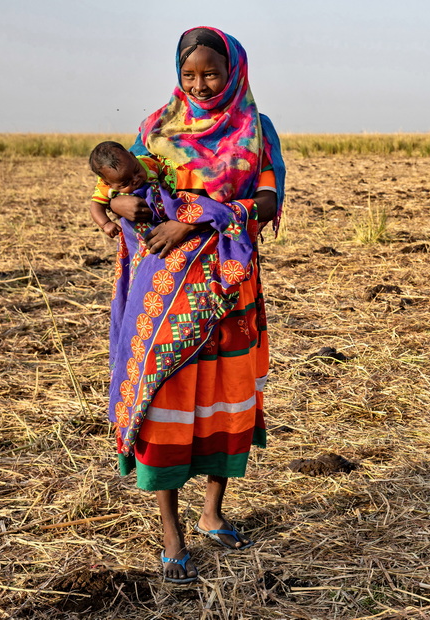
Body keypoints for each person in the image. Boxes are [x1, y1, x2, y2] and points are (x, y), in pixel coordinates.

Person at [106, 26, 286, 584]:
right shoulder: (156, 128)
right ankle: (170, 532)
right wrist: (122, 202)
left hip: (229, 285)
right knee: (166, 399)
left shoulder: (256, 129)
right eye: (190, 75)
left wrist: (197, 218)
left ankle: (211, 511)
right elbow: (120, 186)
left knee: (225, 396)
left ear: (232, 71)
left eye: (211, 73)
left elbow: (266, 198)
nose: (201, 83)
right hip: (166, 287)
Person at [87, 141, 170, 237]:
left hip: (163, 220)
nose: (135, 179)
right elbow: (96, 206)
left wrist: (164, 181)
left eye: (137, 170)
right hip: (135, 229)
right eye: (126, 183)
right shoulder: (105, 187)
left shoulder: (148, 163)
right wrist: (106, 224)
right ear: (108, 183)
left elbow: (161, 170)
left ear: (133, 156)